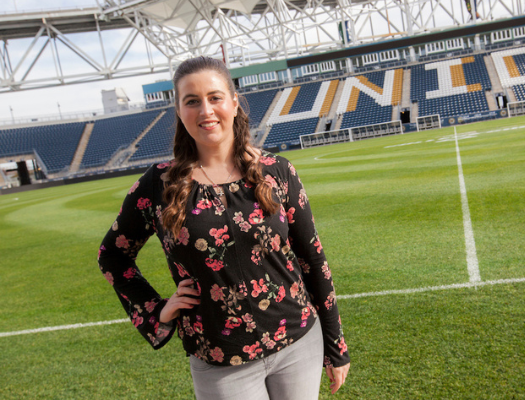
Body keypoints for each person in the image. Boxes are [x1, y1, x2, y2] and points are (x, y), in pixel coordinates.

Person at [98, 56, 350, 400]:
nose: (205, 110)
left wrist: (335, 345)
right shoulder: (158, 184)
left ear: (233, 103)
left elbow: (312, 258)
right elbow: (112, 255)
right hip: (220, 360)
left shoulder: (277, 171)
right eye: (192, 101)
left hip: (298, 343)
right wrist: (158, 309)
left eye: (215, 97)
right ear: (179, 111)